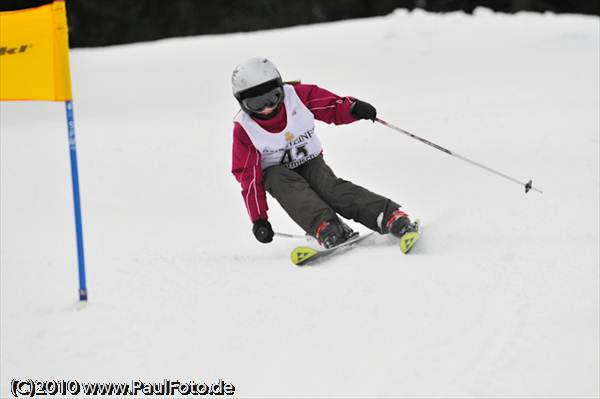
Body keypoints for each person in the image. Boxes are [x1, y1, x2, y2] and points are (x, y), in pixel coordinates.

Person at [231, 57, 416, 249]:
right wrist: (259, 219)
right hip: (277, 174)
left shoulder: (298, 96)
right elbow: (249, 177)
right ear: (243, 103)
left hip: (310, 161)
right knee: (288, 188)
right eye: (256, 104)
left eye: (272, 98)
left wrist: (352, 109)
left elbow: (331, 106)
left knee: (330, 189)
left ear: (280, 88)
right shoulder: (245, 128)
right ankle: (326, 227)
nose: (267, 108)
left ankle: (388, 216)